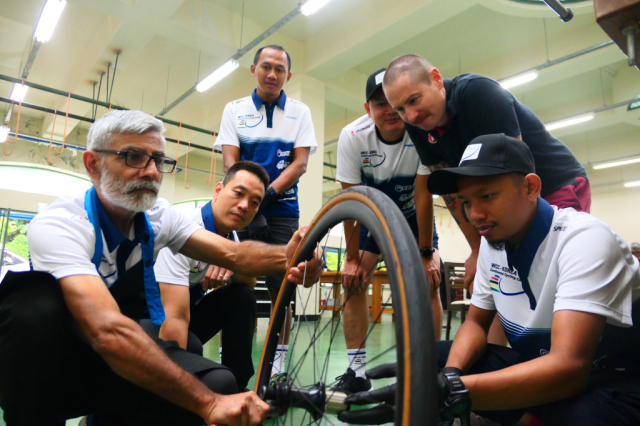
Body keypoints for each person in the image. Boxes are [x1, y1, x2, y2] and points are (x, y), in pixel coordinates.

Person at [0, 110, 322, 426]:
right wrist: (207, 404)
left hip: (110, 355)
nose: (152, 171)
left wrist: (290, 255)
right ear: (93, 164)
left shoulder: (159, 217)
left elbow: (235, 256)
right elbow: (108, 330)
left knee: (220, 382)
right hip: (55, 364)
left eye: (158, 161)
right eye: (133, 157)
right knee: (33, 308)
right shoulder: (61, 225)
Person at [344, 134, 640, 426]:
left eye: (487, 196)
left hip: (613, 378)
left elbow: (570, 367)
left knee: (580, 416)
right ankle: (530, 416)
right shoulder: (493, 242)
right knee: (433, 358)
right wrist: (450, 375)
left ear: (530, 187)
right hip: (545, 366)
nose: (475, 215)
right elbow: (475, 323)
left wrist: (452, 392)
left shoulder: (585, 239)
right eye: (465, 201)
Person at [382, 54, 590, 346]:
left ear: (437, 80)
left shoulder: (478, 93)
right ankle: (496, 366)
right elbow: (454, 193)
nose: (411, 116)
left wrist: (492, 253)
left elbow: (514, 178)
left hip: (554, 184)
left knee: (545, 271)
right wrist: (478, 249)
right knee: (502, 277)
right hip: (503, 193)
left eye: (414, 100)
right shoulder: (418, 126)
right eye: (400, 109)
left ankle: (564, 356)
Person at [333, 68, 442, 393]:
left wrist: (426, 254)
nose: (389, 111)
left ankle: (429, 367)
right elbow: (348, 200)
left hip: (412, 217)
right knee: (352, 282)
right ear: (368, 109)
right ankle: (356, 372)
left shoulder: (419, 132)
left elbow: (424, 195)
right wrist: (351, 259)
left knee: (429, 283)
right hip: (370, 217)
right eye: (379, 104)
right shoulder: (352, 136)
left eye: (392, 103)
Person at [216, 44, 317, 378]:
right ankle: (232, 358)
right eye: (266, 67)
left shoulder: (300, 112)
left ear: (289, 75)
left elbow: (300, 164)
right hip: (242, 208)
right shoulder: (234, 109)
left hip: (283, 209)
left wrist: (264, 199)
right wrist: (249, 203)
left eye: (280, 69)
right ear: (254, 69)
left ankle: (277, 365)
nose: (272, 74)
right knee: (238, 281)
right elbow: (231, 162)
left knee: (281, 286)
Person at [153, 161, 271, 390]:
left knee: (242, 296)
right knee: (191, 348)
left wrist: (229, 262)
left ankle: (237, 388)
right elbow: (173, 318)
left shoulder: (229, 237)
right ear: (218, 190)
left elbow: (250, 281)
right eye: (238, 193)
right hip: (149, 318)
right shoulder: (183, 225)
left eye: (255, 203)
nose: (245, 205)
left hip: (185, 311)